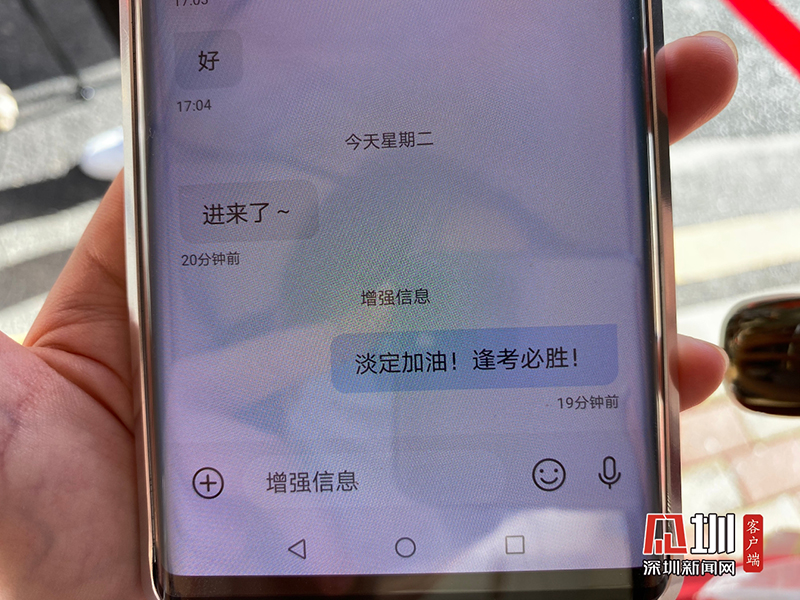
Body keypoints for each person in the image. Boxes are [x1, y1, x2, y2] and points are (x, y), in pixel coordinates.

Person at [0, 32, 739, 599]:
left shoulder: (533, 504)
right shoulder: (240, 447)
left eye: (498, 296)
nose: (464, 340)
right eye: (435, 291)